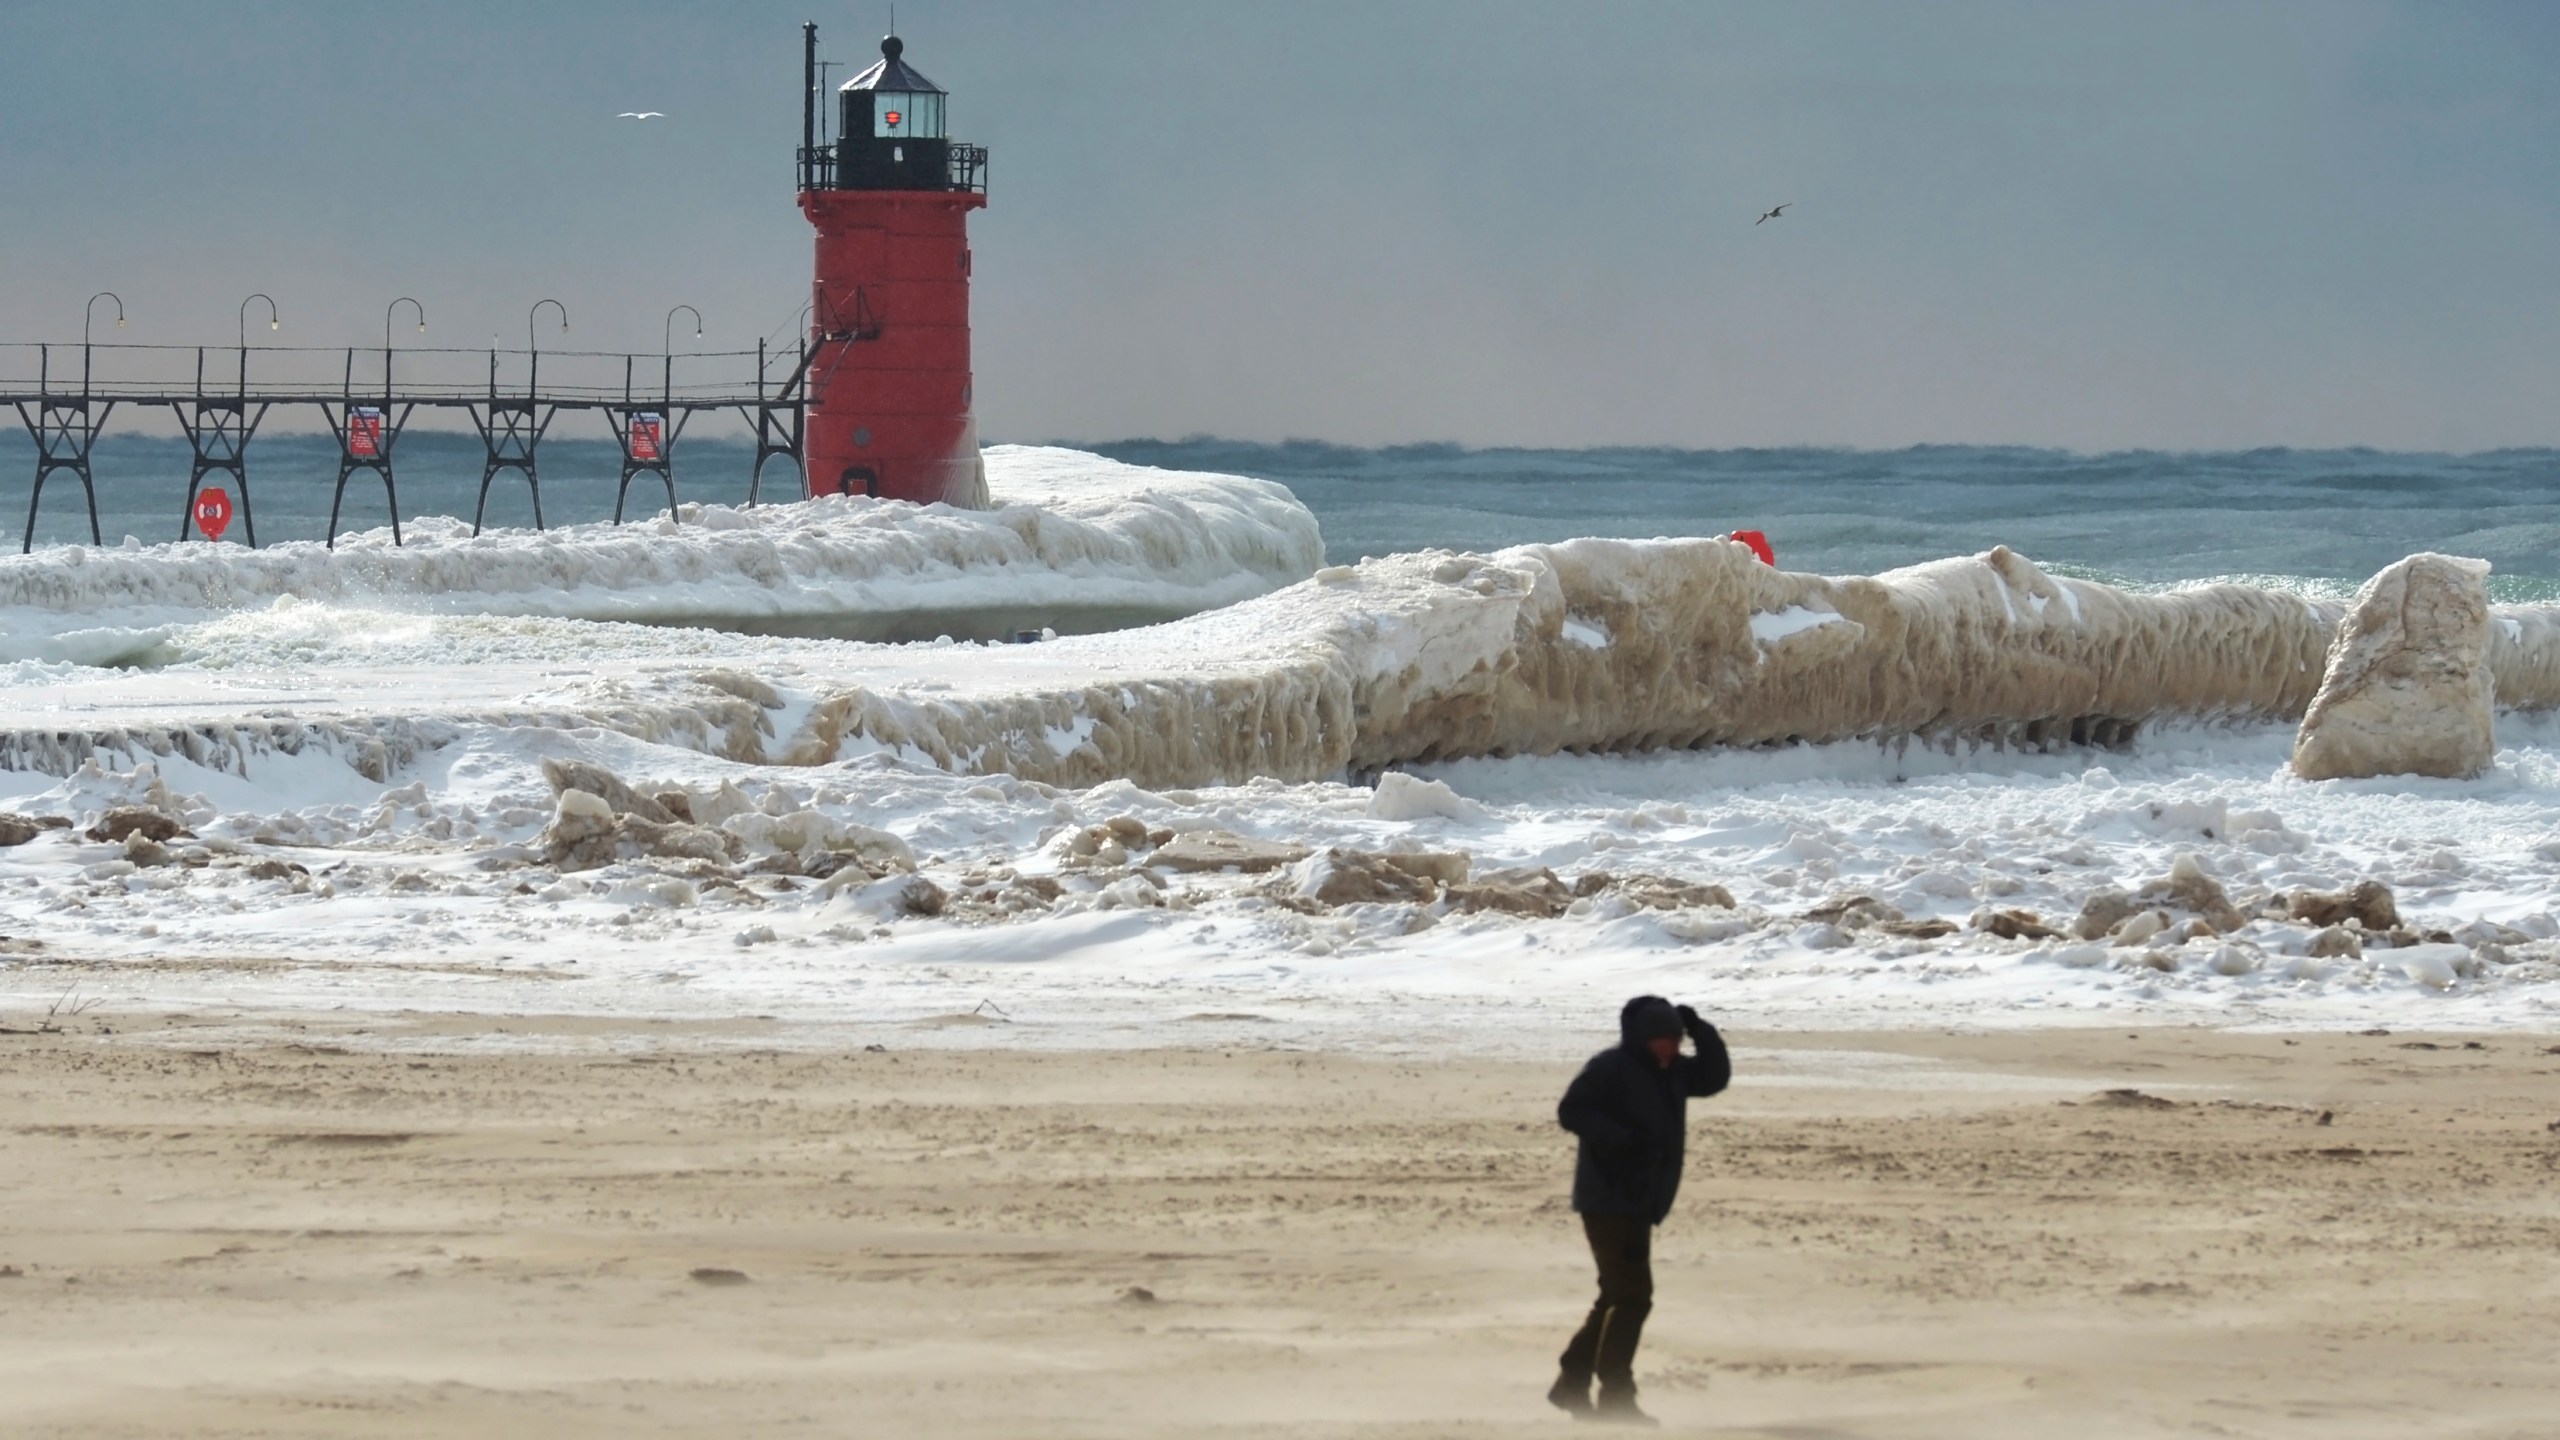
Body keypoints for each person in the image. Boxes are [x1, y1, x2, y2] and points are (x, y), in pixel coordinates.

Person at [1549, 995, 1731, 1425]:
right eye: (1660, 1041)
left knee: (1617, 1295)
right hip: (1607, 1200)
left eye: (1674, 1040)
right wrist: (1619, 1140)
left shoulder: (1674, 1074)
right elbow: (1571, 1110)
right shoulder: (1611, 1067)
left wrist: (1700, 1030)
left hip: (1641, 1200)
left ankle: (1572, 1383)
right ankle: (1615, 1397)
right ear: (1641, 1039)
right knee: (1633, 1298)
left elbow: (1715, 1077)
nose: (1669, 1048)